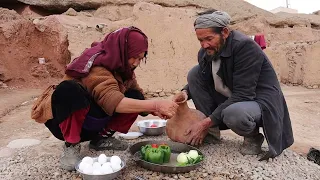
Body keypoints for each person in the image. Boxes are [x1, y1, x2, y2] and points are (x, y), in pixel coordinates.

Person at [31, 26, 178, 170]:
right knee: (69, 89)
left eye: (140, 58)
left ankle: (101, 139)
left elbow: (137, 94)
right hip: (64, 122)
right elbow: (113, 101)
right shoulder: (96, 65)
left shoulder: (123, 69)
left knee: (135, 97)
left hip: (91, 122)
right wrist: (156, 105)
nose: (136, 63)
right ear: (122, 50)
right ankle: (71, 145)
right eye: (133, 56)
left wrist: (153, 111)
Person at [174, 10, 294, 160]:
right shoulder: (206, 52)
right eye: (200, 40)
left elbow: (244, 94)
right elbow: (202, 78)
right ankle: (211, 134)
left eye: (209, 38)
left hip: (258, 101)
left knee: (234, 113)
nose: (204, 45)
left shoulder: (245, 47)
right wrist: (185, 92)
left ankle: (253, 137)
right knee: (195, 73)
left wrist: (203, 123)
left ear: (224, 32)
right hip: (234, 97)